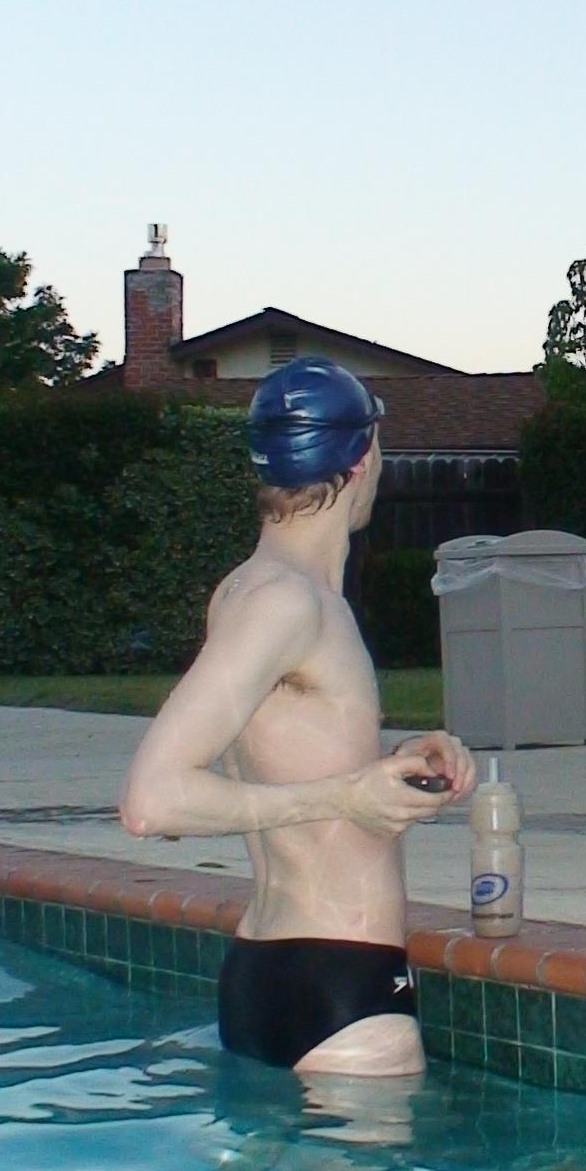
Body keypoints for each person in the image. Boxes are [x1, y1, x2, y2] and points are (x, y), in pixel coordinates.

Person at [119, 356, 475, 1076]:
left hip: (263, 979)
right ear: (364, 457)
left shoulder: (249, 591)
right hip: (345, 993)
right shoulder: (289, 604)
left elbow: (279, 749)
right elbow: (151, 801)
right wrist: (346, 795)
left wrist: (394, 761)